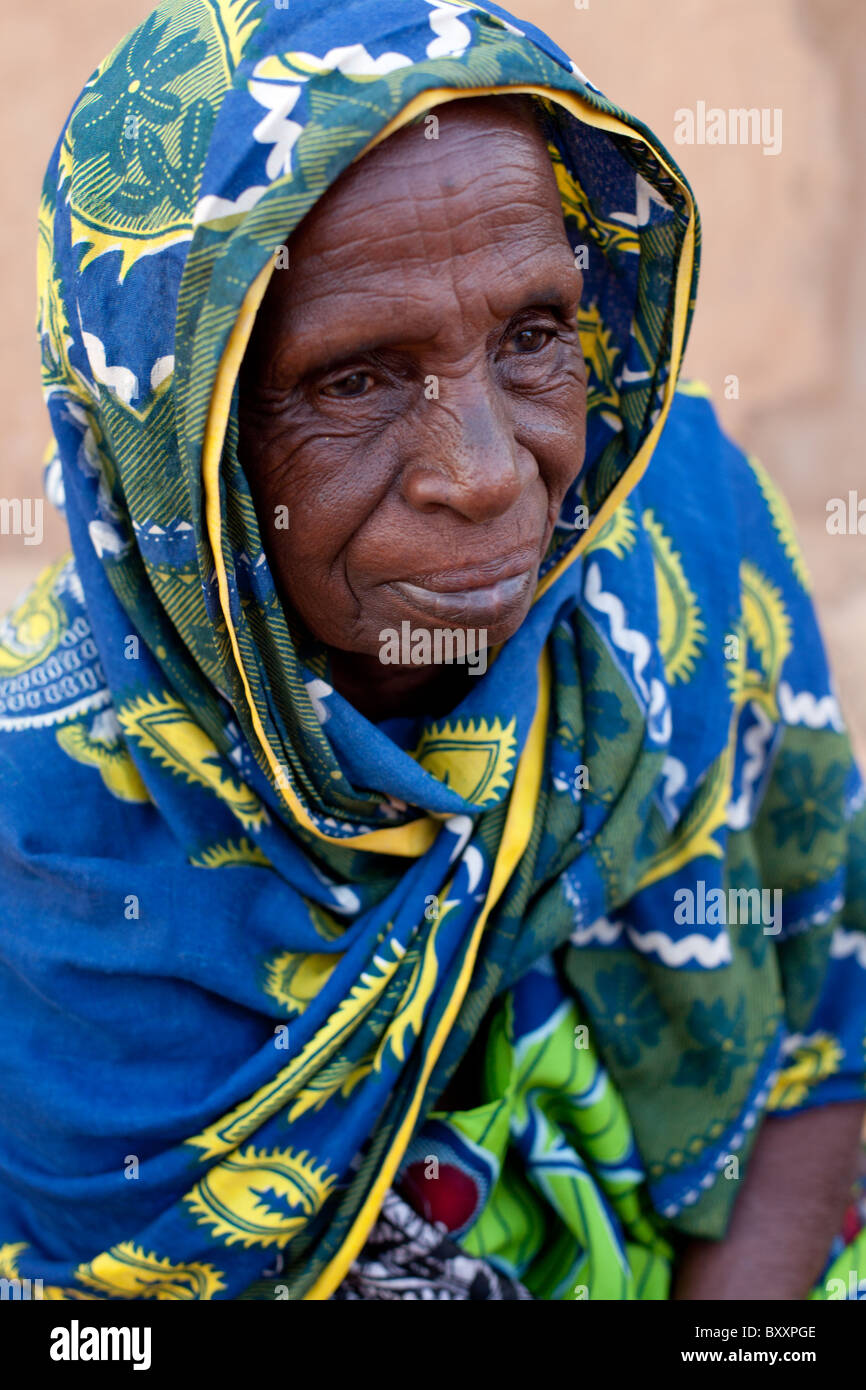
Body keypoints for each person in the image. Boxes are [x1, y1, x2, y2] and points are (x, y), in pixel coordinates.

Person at [0, 0, 864, 1302]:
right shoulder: (57, 829)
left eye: (531, 337)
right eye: (353, 380)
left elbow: (823, 1017)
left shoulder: (673, 533)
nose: (484, 471)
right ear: (179, 438)